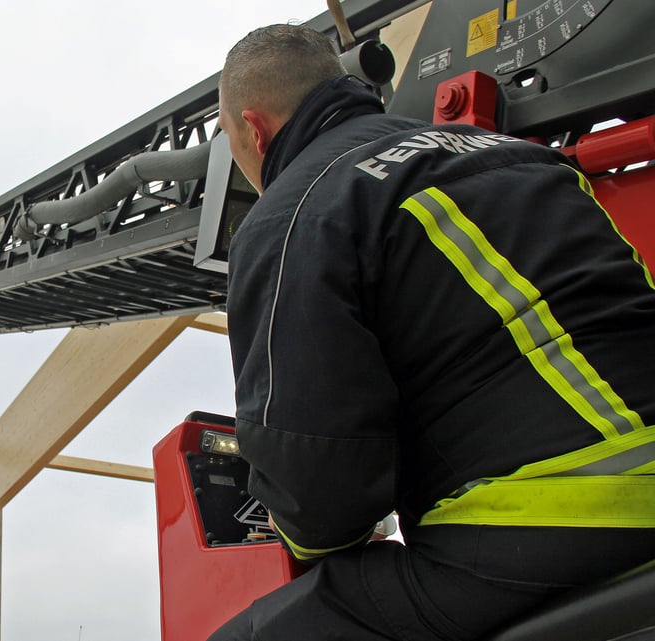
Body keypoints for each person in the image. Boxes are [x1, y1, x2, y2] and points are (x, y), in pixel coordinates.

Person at [213, 24, 655, 641]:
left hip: (560, 519)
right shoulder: (518, 153)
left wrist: (322, 536)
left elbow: (317, 490)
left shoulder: (291, 213)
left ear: (254, 131)